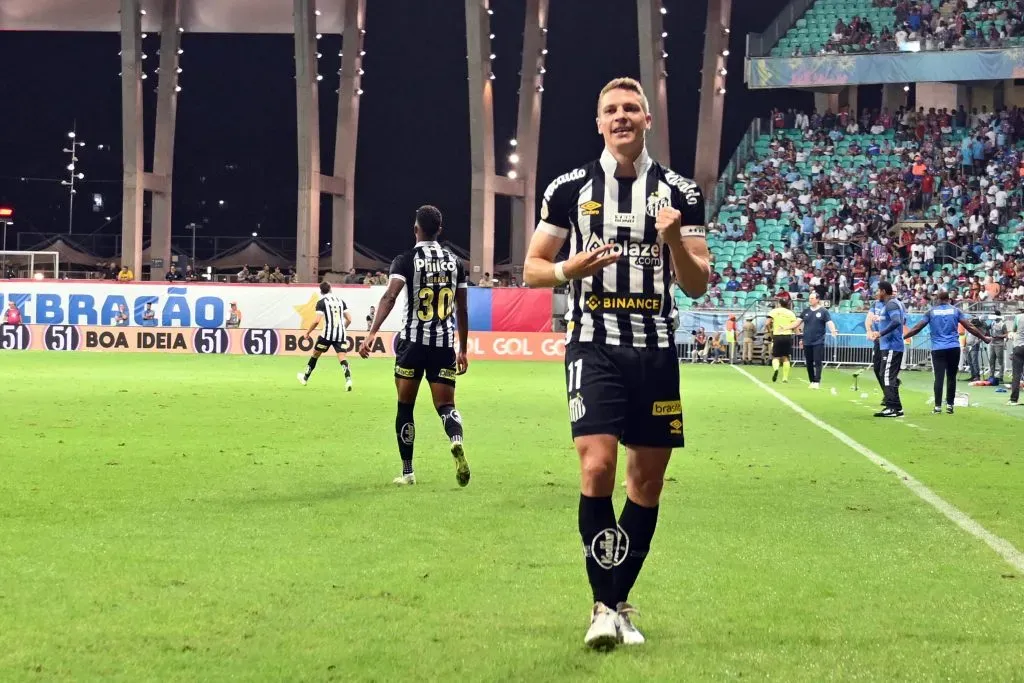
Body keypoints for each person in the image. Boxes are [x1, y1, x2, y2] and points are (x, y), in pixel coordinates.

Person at [522, 77, 710, 650]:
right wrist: (567, 270)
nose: (621, 116)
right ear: (599, 122)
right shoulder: (569, 188)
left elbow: (698, 283)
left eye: (631, 108)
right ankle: (603, 606)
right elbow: (532, 267)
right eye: (611, 110)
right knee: (598, 467)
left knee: (646, 481)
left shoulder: (681, 192)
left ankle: (616, 602)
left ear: (648, 120)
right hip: (593, 344)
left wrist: (673, 241)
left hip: (655, 350)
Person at [359, 205, 471, 488]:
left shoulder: (405, 260)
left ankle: (408, 472)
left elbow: (389, 297)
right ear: (440, 230)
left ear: (416, 229)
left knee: (405, 406)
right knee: (446, 405)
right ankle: (456, 439)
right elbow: (462, 309)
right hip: (443, 345)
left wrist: (372, 333)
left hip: (412, 344)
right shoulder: (456, 263)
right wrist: (463, 349)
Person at [904, 290, 989, 414]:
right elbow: (969, 327)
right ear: (949, 299)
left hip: (938, 348)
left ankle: (937, 407)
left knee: (939, 378)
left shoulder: (931, 312)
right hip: (953, 347)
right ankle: (950, 405)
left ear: (938, 299)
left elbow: (918, 327)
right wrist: (984, 338)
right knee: (951, 377)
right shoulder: (956, 311)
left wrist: (904, 336)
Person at [297, 281, 353, 391]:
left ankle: (305, 378)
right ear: (330, 288)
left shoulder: (321, 303)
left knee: (315, 354)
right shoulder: (341, 301)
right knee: (342, 358)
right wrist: (342, 329)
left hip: (327, 335)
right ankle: (348, 380)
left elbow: (317, 321)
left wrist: (308, 332)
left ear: (321, 291)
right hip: (340, 335)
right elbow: (349, 319)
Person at [870, 282, 906, 417]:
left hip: (892, 346)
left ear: (884, 291)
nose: (877, 293)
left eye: (878, 291)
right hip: (889, 346)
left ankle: (891, 407)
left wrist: (881, 333)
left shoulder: (891, 304)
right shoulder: (890, 304)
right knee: (886, 375)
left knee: (887, 376)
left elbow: (897, 321)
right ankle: (897, 407)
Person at [790, 292, 837, 388]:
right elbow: (797, 323)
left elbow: (829, 322)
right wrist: (786, 327)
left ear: (817, 299)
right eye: (809, 298)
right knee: (809, 362)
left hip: (818, 340)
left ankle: (817, 381)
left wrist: (833, 330)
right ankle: (811, 380)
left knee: (818, 360)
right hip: (807, 340)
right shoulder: (806, 311)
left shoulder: (823, 311)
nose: (810, 300)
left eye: (812, 298)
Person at [767, 298, 797, 383]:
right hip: (787, 336)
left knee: (776, 357)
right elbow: (795, 326)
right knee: (786, 357)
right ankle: (785, 378)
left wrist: (770, 332)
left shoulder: (774, 311)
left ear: (779, 303)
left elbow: (767, 323)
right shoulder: (791, 313)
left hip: (777, 336)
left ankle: (776, 369)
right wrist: (798, 335)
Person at [866, 296, 887, 403]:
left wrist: (881, 318)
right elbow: (869, 318)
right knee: (877, 368)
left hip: (888, 341)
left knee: (885, 370)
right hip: (877, 340)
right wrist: (869, 330)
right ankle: (886, 392)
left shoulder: (894, 304)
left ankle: (889, 396)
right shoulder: (875, 303)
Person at [1008, 311, 1024, 406]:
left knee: (1016, 374)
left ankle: (1013, 399)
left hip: (1018, 346)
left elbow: (1013, 330)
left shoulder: (1018, 317)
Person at [988, 312, 1008, 382]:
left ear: (998, 316)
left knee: (1000, 361)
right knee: (991, 360)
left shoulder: (1002, 324)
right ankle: (991, 376)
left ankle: (1001, 377)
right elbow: (987, 328)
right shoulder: (992, 322)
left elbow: (1006, 334)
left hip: (999, 345)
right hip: (992, 344)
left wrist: (998, 336)